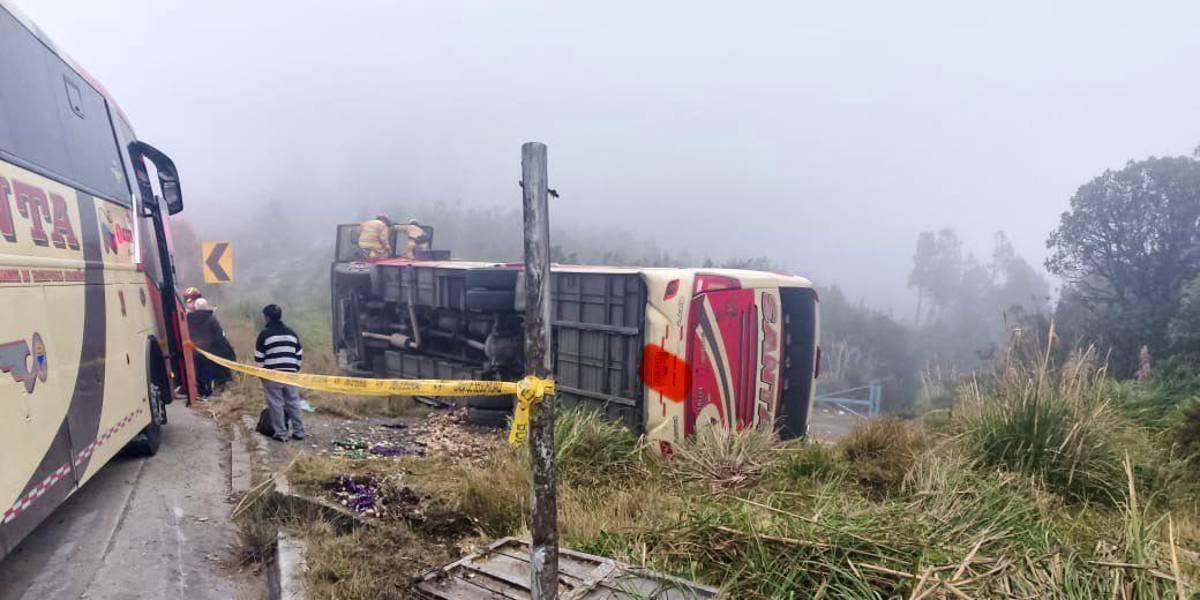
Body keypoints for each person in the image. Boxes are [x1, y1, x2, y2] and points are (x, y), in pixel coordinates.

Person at [254, 304, 306, 441]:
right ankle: (299, 432)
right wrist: (295, 368)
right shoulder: (291, 333)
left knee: (276, 404)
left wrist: (261, 373)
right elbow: (299, 352)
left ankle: (281, 434)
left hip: (272, 375)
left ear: (267, 317)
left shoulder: (264, 334)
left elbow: (259, 356)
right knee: (294, 403)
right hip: (291, 374)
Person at [186, 298, 236, 397]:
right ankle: (208, 392)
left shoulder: (188, 319)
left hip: (193, 351)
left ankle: (199, 392)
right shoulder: (211, 318)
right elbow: (219, 337)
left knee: (197, 373)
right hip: (209, 352)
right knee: (207, 373)